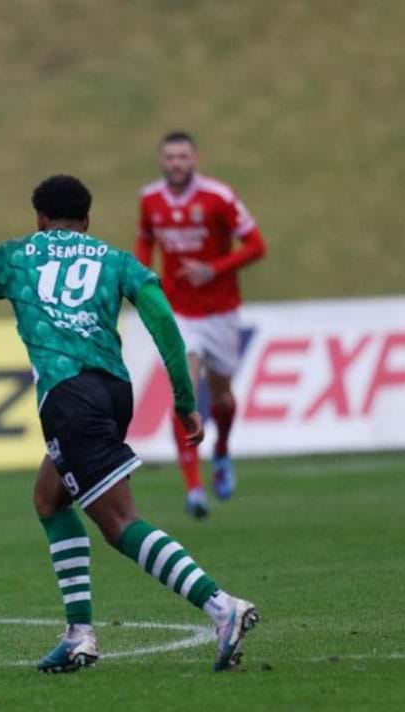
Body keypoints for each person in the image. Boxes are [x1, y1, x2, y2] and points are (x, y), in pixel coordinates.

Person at [0, 174, 259, 673]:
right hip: (113, 394)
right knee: (50, 498)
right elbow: (162, 318)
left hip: (68, 397)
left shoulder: (14, 256)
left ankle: (221, 606)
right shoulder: (115, 259)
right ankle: (79, 635)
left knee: (119, 522)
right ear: (88, 220)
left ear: (39, 218)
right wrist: (184, 398)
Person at [136, 131, 267, 518]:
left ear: (195, 159)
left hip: (221, 311)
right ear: (162, 161)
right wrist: (140, 276)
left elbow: (257, 245)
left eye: (183, 157)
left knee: (222, 397)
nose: (176, 163)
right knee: (183, 395)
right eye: (170, 157)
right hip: (177, 312)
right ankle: (193, 487)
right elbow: (145, 241)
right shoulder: (150, 199)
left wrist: (214, 269)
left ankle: (222, 451)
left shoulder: (219, 198)